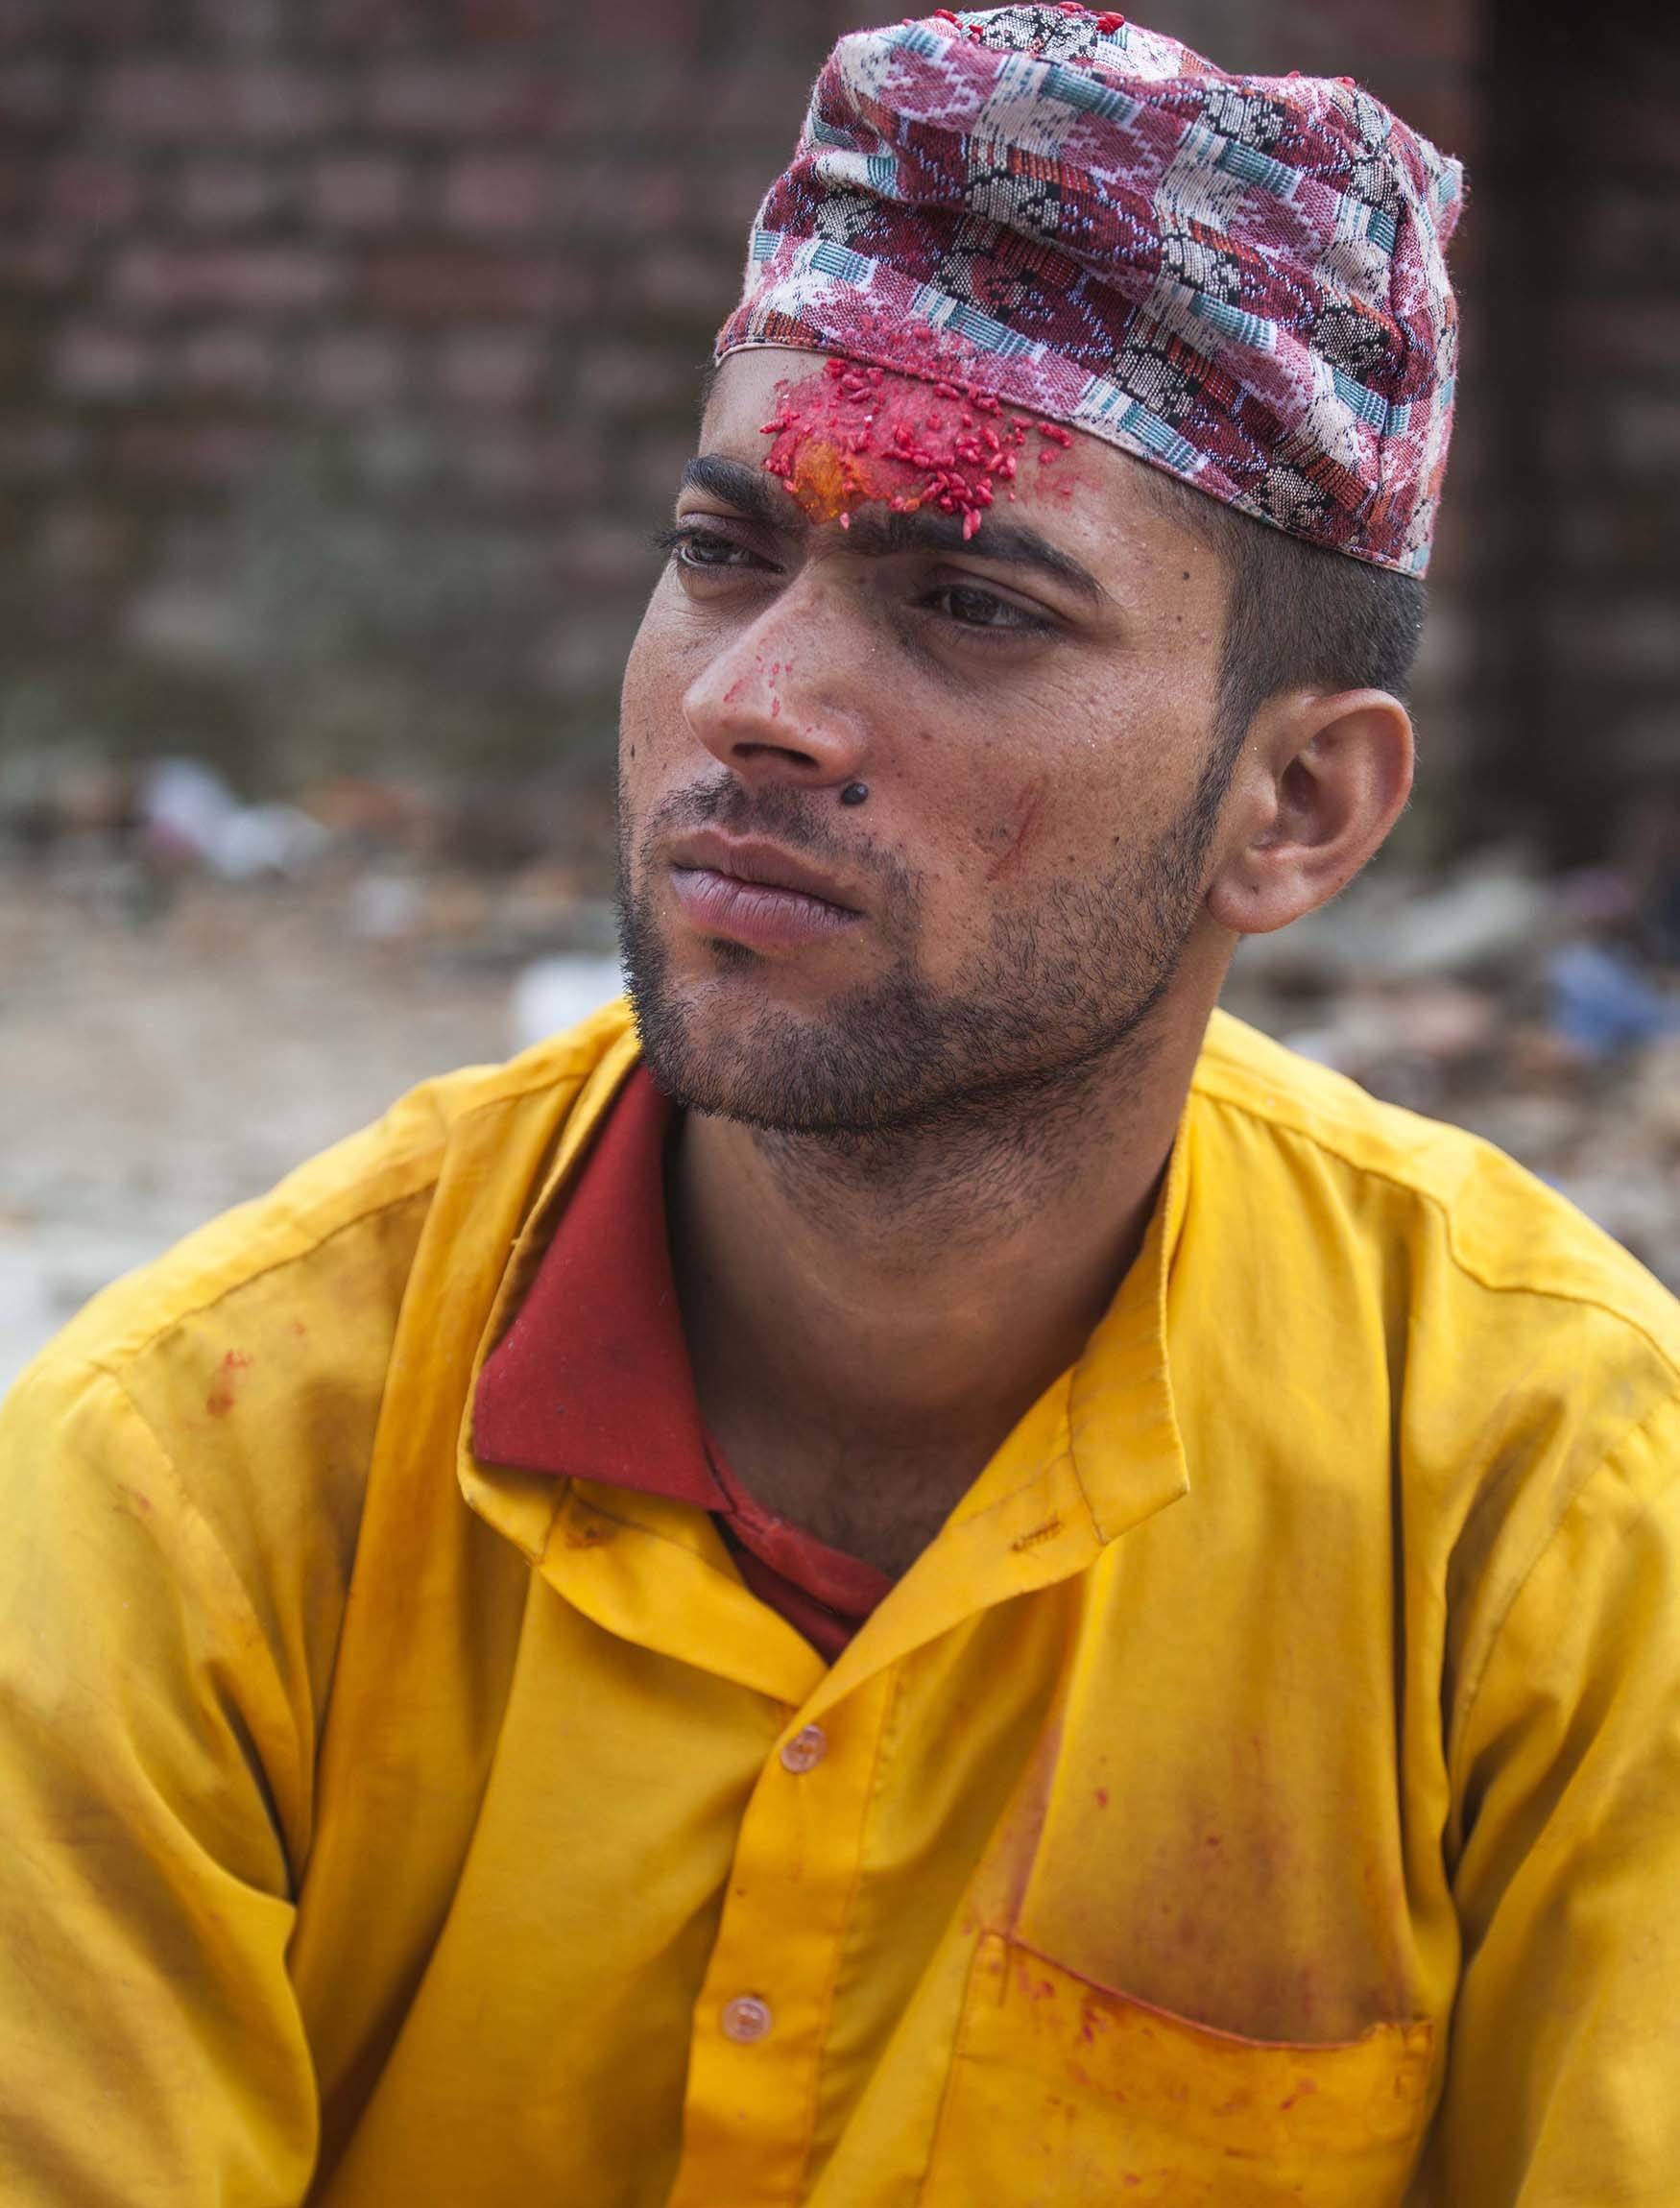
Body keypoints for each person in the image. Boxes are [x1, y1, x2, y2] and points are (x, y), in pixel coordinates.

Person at [3, 9, 1676, 2204]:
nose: (752, 700)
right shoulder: (195, 1477)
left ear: (1295, 803)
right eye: (720, 552)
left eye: (967, 604)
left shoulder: (1541, 1508)